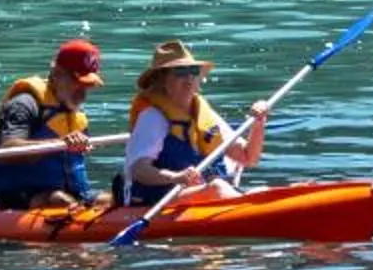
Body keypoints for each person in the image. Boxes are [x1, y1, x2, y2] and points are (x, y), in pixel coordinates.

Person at [115, 39, 268, 207]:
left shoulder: (205, 114)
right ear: (162, 80)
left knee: (261, 191)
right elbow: (139, 170)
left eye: (193, 71)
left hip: (200, 193)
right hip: (156, 200)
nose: (188, 78)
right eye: (180, 72)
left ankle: (251, 203)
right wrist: (177, 177)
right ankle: (245, 206)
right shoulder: (152, 117)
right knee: (216, 187)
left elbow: (248, 158)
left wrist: (258, 123)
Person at [0, 39, 102, 210]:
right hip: (24, 196)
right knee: (59, 200)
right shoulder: (24, 104)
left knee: (112, 199)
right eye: (78, 83)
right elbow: (6, 150)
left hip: (76, 195)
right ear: (57, 74)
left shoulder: (74, 111)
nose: (83, 93)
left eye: (87, 86)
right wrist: (61, 143)